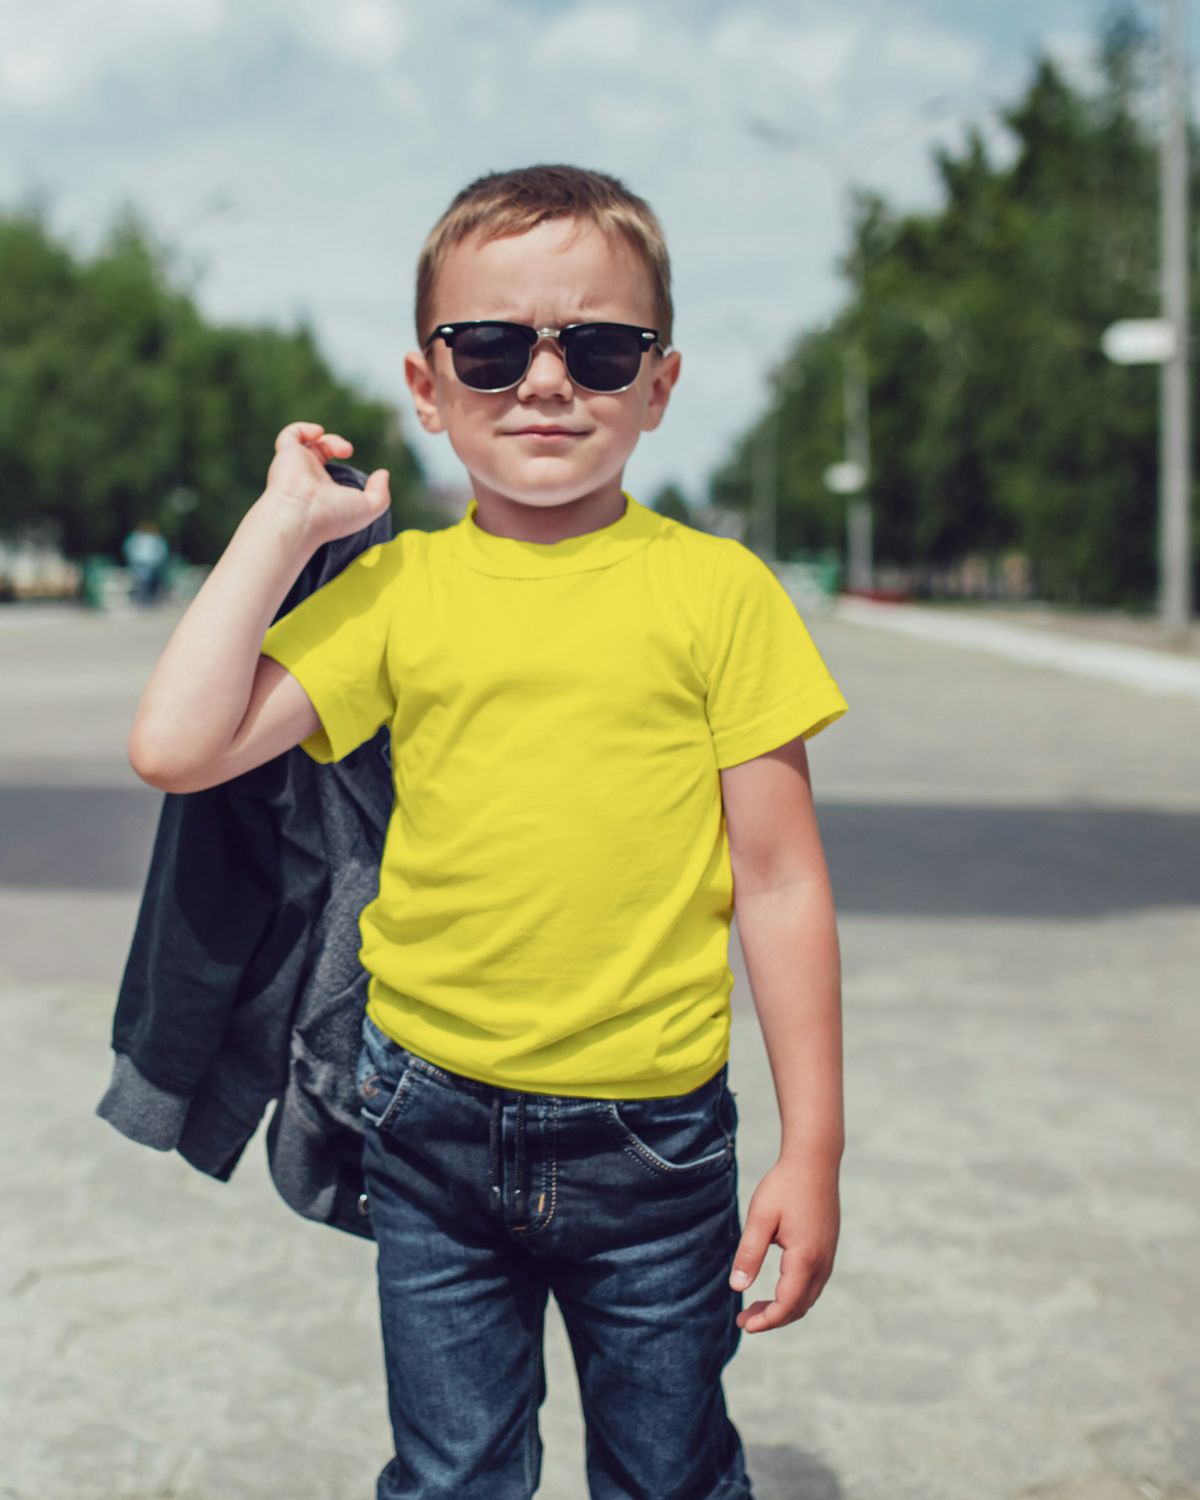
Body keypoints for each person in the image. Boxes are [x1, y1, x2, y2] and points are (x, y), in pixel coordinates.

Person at [126, 163, 849, 1500]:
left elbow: (783, 881)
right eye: (495, 345)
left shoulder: (720, 593)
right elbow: (177, 745)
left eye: (601, 345)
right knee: (453, 1477)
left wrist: (815, 1149)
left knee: (671, 1475)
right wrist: (279, 529)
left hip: (657, 1141)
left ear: (661, 382)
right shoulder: (399, 592)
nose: (547, 380)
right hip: (428, 1120)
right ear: (428, 382)